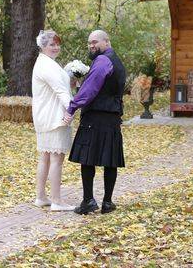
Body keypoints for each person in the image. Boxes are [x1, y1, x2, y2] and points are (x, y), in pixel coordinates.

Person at [63, 30, 126, 215]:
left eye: (95, 42)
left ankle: (88, 201)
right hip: (112, 116)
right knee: (110, 160)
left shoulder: (102, 61)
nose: (91, 45)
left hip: (96, 116)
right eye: (89, 42)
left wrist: (72, 107)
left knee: (88, 159)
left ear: (107, 41)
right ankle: (107, 202)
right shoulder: (116, 61)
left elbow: (90, 90)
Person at [31, 30, 75, 211]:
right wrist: (71, 110)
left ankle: (41, 196)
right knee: (56, 159)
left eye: (57, 44)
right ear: (43, 46)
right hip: (55, 117)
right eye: (52, 45)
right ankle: (57, 200)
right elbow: (61, 92)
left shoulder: (45, 63)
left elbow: (60, 86)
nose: (56, 47)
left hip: (45, 116)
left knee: (46, 158)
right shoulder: (47, 65)